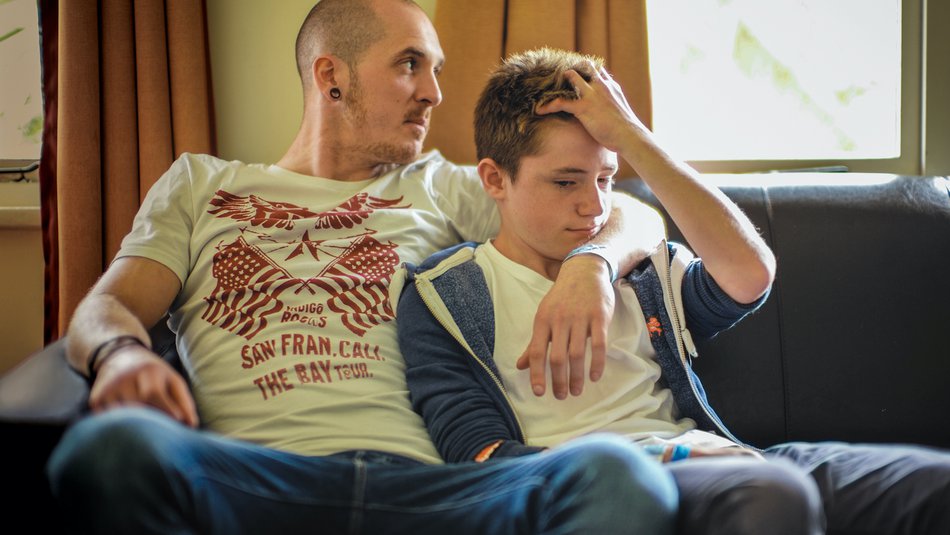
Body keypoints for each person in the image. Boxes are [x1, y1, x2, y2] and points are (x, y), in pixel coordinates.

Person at [44, 1, 679, 533]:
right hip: (254, 479)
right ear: (332, 77)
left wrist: (591, 263)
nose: (434, 92)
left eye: (435, 69)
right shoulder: (200, 185)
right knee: (109, 451)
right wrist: (120, 356)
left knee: (618, 478)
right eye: (410, 65)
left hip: (434, 492)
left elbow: (632, 214)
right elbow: (105, 309)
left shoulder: (438, 186)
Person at [396, 47, 950, 535]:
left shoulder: (641, 267)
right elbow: (479, 455)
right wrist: (627, 472)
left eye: (606, 179)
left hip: (728, 455)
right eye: (565, 181)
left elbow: (749, 275)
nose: (593, 206)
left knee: (935, 483)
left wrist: (631, 138)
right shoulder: (445, 295)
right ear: (495, 180)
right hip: (626, 484)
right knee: (773, 497)